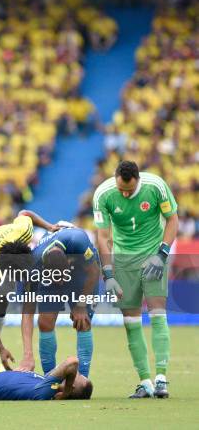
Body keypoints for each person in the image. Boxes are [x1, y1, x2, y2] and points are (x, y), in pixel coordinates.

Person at [93, 160, 178, 398]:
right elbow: (102, 236)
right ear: (116, 178)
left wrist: (161, 255)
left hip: (152, 256)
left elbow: (172, 218)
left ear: (138, 180)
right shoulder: (103, 194)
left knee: (157, 312)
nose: (125, 193)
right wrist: (108, 273)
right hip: (123, 261)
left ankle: (161, 379)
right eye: (121, 189)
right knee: (130, 320)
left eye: (129, 190)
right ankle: (145, 382)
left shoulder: (156, 186)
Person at [0, 210, 60, 373]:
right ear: (7, 270)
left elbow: (25, 213)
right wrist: (3, 348)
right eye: (19, 276)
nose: (22, 280)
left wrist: (48, 226)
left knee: (1, 306)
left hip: (0, 252)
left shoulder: (23, 231)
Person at [16, 227, 100, 378]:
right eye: (57, 279)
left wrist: (81, 306)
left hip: (82, 271)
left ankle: (82, 379)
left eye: (63, 277)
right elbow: (27, 312)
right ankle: (50, 379)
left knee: (83, 320)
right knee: (45, 322)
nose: (61, 283)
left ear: (68, 262)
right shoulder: (34, 265)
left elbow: (94, 271)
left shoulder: (78, 240)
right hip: (53, 270)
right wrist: (27, 354)